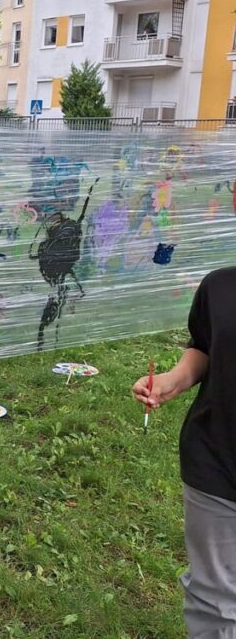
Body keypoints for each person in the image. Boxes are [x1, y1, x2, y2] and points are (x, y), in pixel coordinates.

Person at [131, 267, 236, 636]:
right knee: (216, 604)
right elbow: (205, 346)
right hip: (217, 462)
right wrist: (174, 379)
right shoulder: (220, 285)